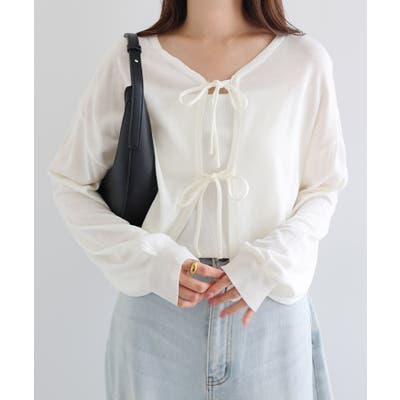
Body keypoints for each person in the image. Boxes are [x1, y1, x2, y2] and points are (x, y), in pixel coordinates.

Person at [47, 0, 349, 398]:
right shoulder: (131, 60)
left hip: (269, 313)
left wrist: (267, 262)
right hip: (156, 320)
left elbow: (323, 187)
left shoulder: (304, 62)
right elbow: (71, 182)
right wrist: (153, 261)